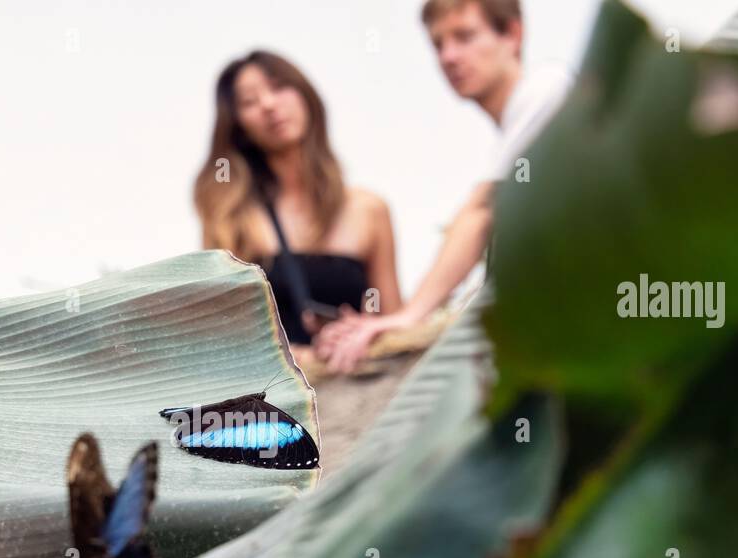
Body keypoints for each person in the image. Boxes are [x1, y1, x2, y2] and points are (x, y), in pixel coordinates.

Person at [317, 0, 573, 373]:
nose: (449, 56)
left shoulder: (547, 89)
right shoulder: (516, 131)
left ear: (513, 34)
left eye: (465, 37)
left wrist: (408, 317)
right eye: (438, 44)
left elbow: (482, 211)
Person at [193, 50, 402, 366]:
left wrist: (358, 335)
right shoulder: (231, 216)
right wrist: (298, 358)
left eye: (278, 87)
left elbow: (394, 325)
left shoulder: (368, 210)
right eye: (249, 102)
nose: (268, 105)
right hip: (278, 403)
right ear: (239, 127)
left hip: (358, 389)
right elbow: (225, 336)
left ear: (305, 96)